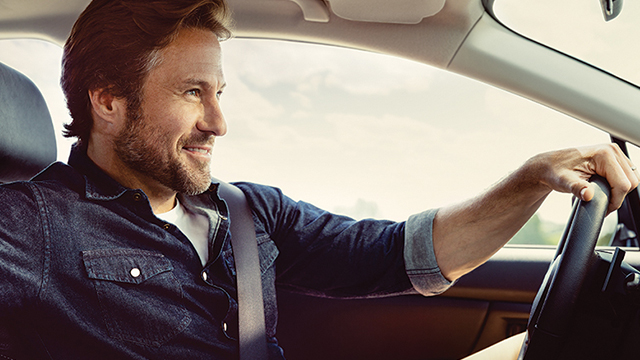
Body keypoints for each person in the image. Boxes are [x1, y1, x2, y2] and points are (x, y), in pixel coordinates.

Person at [0, 0, 638, 359]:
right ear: (107, 101)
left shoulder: (250, 212)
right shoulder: (31, 223)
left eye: (219, 92)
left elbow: (402, 256)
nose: (219, 123)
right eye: (193, 93)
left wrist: (532, 179)